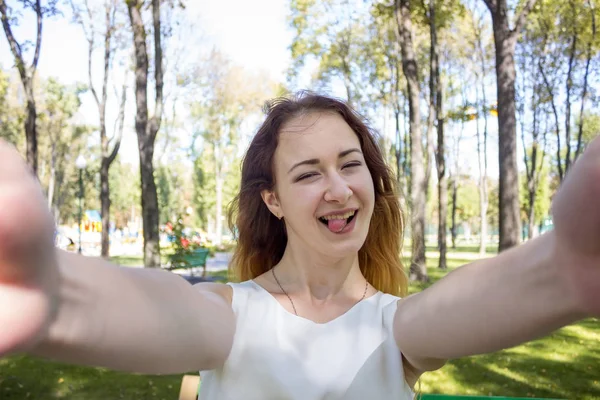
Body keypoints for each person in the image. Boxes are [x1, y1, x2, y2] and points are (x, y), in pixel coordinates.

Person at [0, 93, 598, 400]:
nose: (338, 189)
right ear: (274, 200)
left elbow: (463, 307)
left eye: (350, 164)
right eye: (308, 173)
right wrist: (51, 293)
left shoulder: (402, 328)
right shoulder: (227, 318)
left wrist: (567, 264)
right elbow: (167, 312)